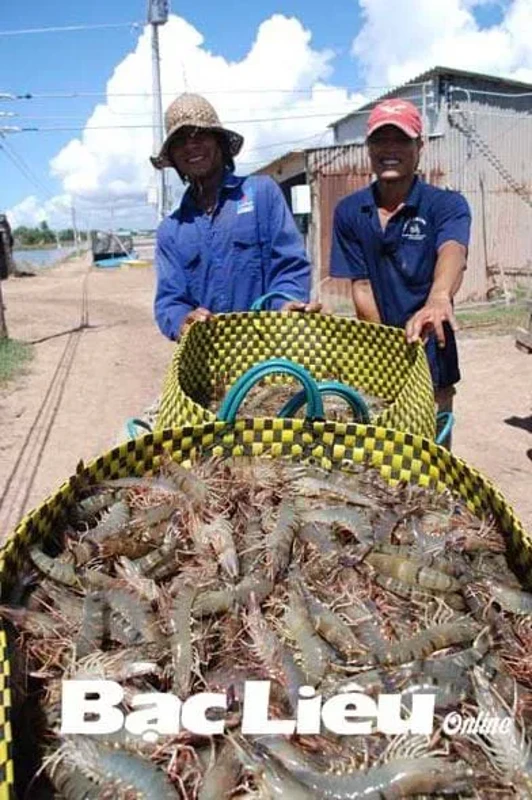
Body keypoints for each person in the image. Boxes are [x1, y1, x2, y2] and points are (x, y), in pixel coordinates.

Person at [329, 99, 471, 438]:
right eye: (380, 140)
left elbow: (454, 250)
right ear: (368, 148)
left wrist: (438, 298)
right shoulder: (351, 211)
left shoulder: (446, 204)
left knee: (433, 453)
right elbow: (361, 287)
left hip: (434, 349)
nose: (389, 149)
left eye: (401, 140)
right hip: (379, 353)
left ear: (419, 146)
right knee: (384, 455)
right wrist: (388, 349)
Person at [151, 93, 320, 340]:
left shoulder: (262, 193)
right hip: (206, 361)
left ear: (219, 142)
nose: (190, 145)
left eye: (200, 134)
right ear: (174, 158)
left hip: (269, 353)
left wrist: (285, 304)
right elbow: (170, 300)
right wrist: (182, 321)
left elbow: (290, 266)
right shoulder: (171, 230)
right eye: (180, 141)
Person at [0, 214, 14, 281]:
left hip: (4, 251)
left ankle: (6, 273)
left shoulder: (6, 227)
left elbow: (8, 240)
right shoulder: (6, 227)